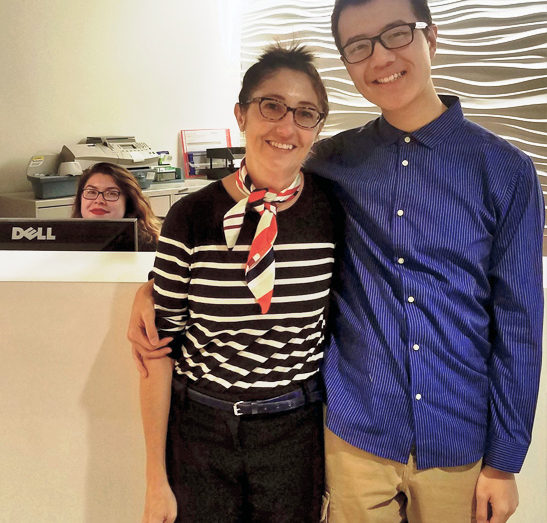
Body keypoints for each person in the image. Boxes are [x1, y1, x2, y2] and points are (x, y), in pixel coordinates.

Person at [128, 1, 544, 521]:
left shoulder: (505, 170)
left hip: (458, 438)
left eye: (396, 34)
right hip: (356, 437)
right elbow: (263, 182)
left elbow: (520, 323)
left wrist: (504, 463)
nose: (380, 57)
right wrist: (151, 288)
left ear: (431, 38)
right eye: (359, 46)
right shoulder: (334, 161)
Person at [139, 44, 335, 523]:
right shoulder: (191, 216)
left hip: (295, 435)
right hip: (201, 432)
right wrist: (155, 479)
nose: (286, 127)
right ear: (241, 114)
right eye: (271, 106)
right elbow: (157, 353)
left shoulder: (332, 212)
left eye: (305, 113)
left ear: (317, 128)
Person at [72, 161, 161, 251]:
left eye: (111, 193)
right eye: (91, 192)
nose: (99, 201)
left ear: (128, 202)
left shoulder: (149, 247)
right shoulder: (69, 240)